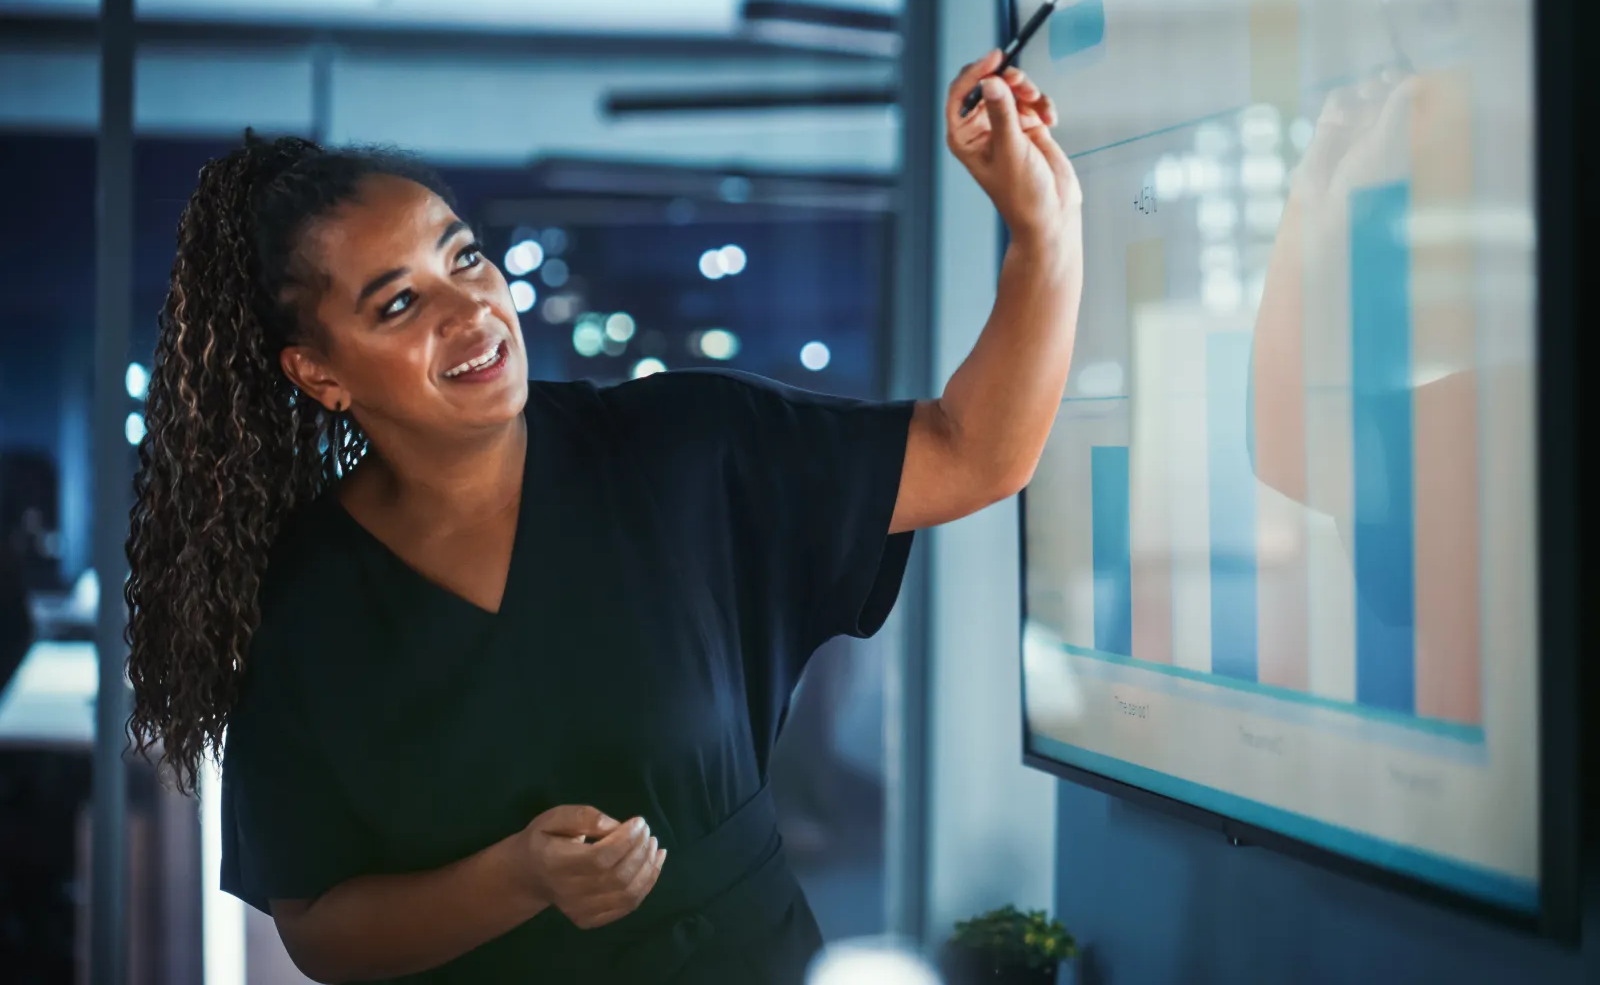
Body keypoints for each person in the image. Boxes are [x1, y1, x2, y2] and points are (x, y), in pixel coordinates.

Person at [124, 52, 1084, 984]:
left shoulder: (687, 447)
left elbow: (974, 452)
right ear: (319, 373)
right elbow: (319, 932)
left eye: (465, 257)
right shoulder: (305, 600)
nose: (470, 310)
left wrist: (1043, 232)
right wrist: (516, 880)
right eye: (401, 302)